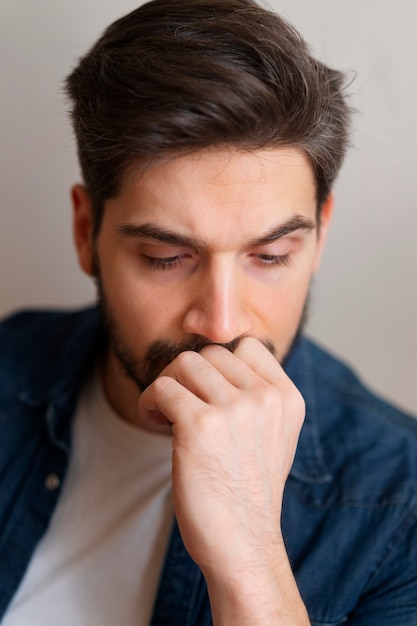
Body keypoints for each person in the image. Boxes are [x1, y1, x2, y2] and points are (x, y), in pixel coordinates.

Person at [0, 0, 416, 624]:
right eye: (167, 257)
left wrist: (250, 556)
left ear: (319, 238)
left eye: (270, 256)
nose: (221, 325)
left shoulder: (400, 508)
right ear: (87, 231)